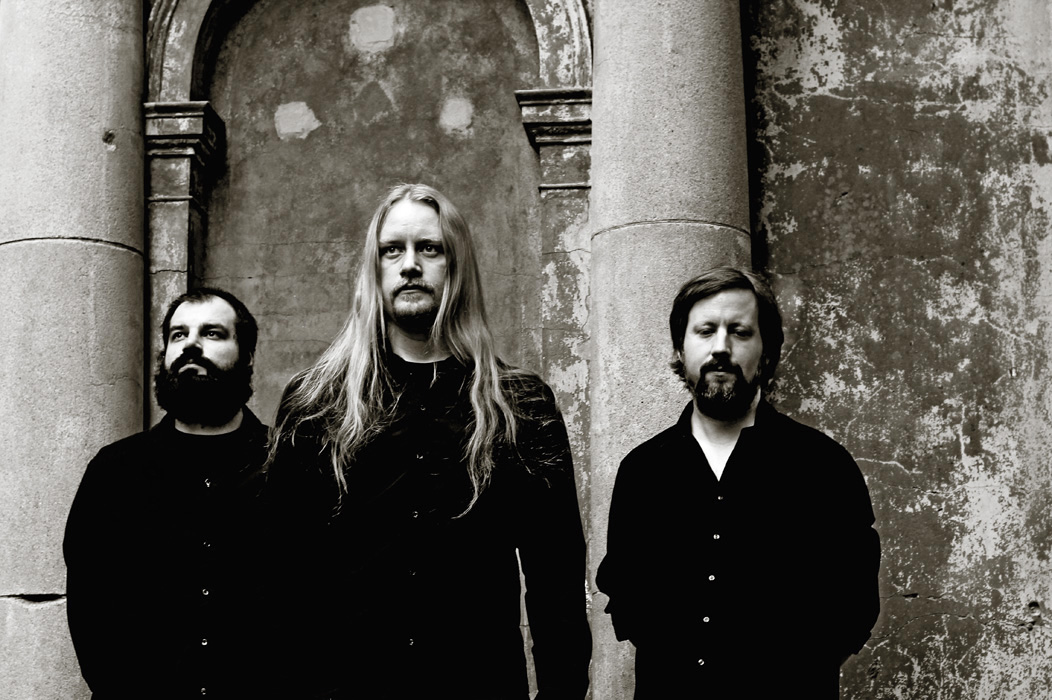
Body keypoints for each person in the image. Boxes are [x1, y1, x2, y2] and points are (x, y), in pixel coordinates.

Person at [264, 183, 591, 699]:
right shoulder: (315, 402)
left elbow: (557, 582)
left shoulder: (521, 404)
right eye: (392, 250)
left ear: (456, 265)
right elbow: (281, 576)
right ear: (373, 269)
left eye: (430, 248)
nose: (410, 265)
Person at [596, 267, 881, 698]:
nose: (721, 348)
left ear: (766, 351)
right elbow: (624, 589)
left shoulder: (824, 466)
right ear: (680, 349)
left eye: (740, 332)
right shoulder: (642, 470)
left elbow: (854, 604)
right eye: (705, 331)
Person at [64, 288, 269, 699]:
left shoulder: (289, 463)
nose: (191, 345)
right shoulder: (115, 472)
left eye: (212, 333)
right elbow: (91, 610)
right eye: (178, 335)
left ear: (247, 356)